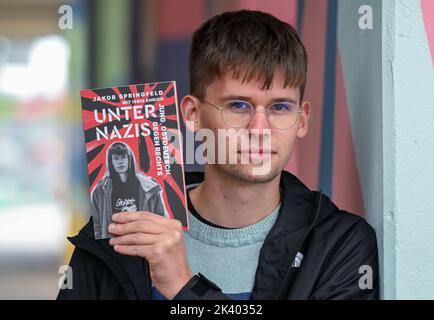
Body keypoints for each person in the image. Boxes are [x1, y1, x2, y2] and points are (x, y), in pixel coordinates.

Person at [58, 10, 378, 300]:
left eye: (280, 107)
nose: (260, 128)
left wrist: (183, 287)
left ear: (302, 119)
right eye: (239, 105)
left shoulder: (337, 244)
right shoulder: (120, 236)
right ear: (193, 114)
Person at [90, 141, 167, 239]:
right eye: (116, 158)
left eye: (123, 157)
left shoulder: (149, 186)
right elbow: (97, 226)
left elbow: (161, 219)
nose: (120, 162)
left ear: (129, 159)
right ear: (111, 162)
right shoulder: (100, 190)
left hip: (145, 243)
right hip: (114, 246)